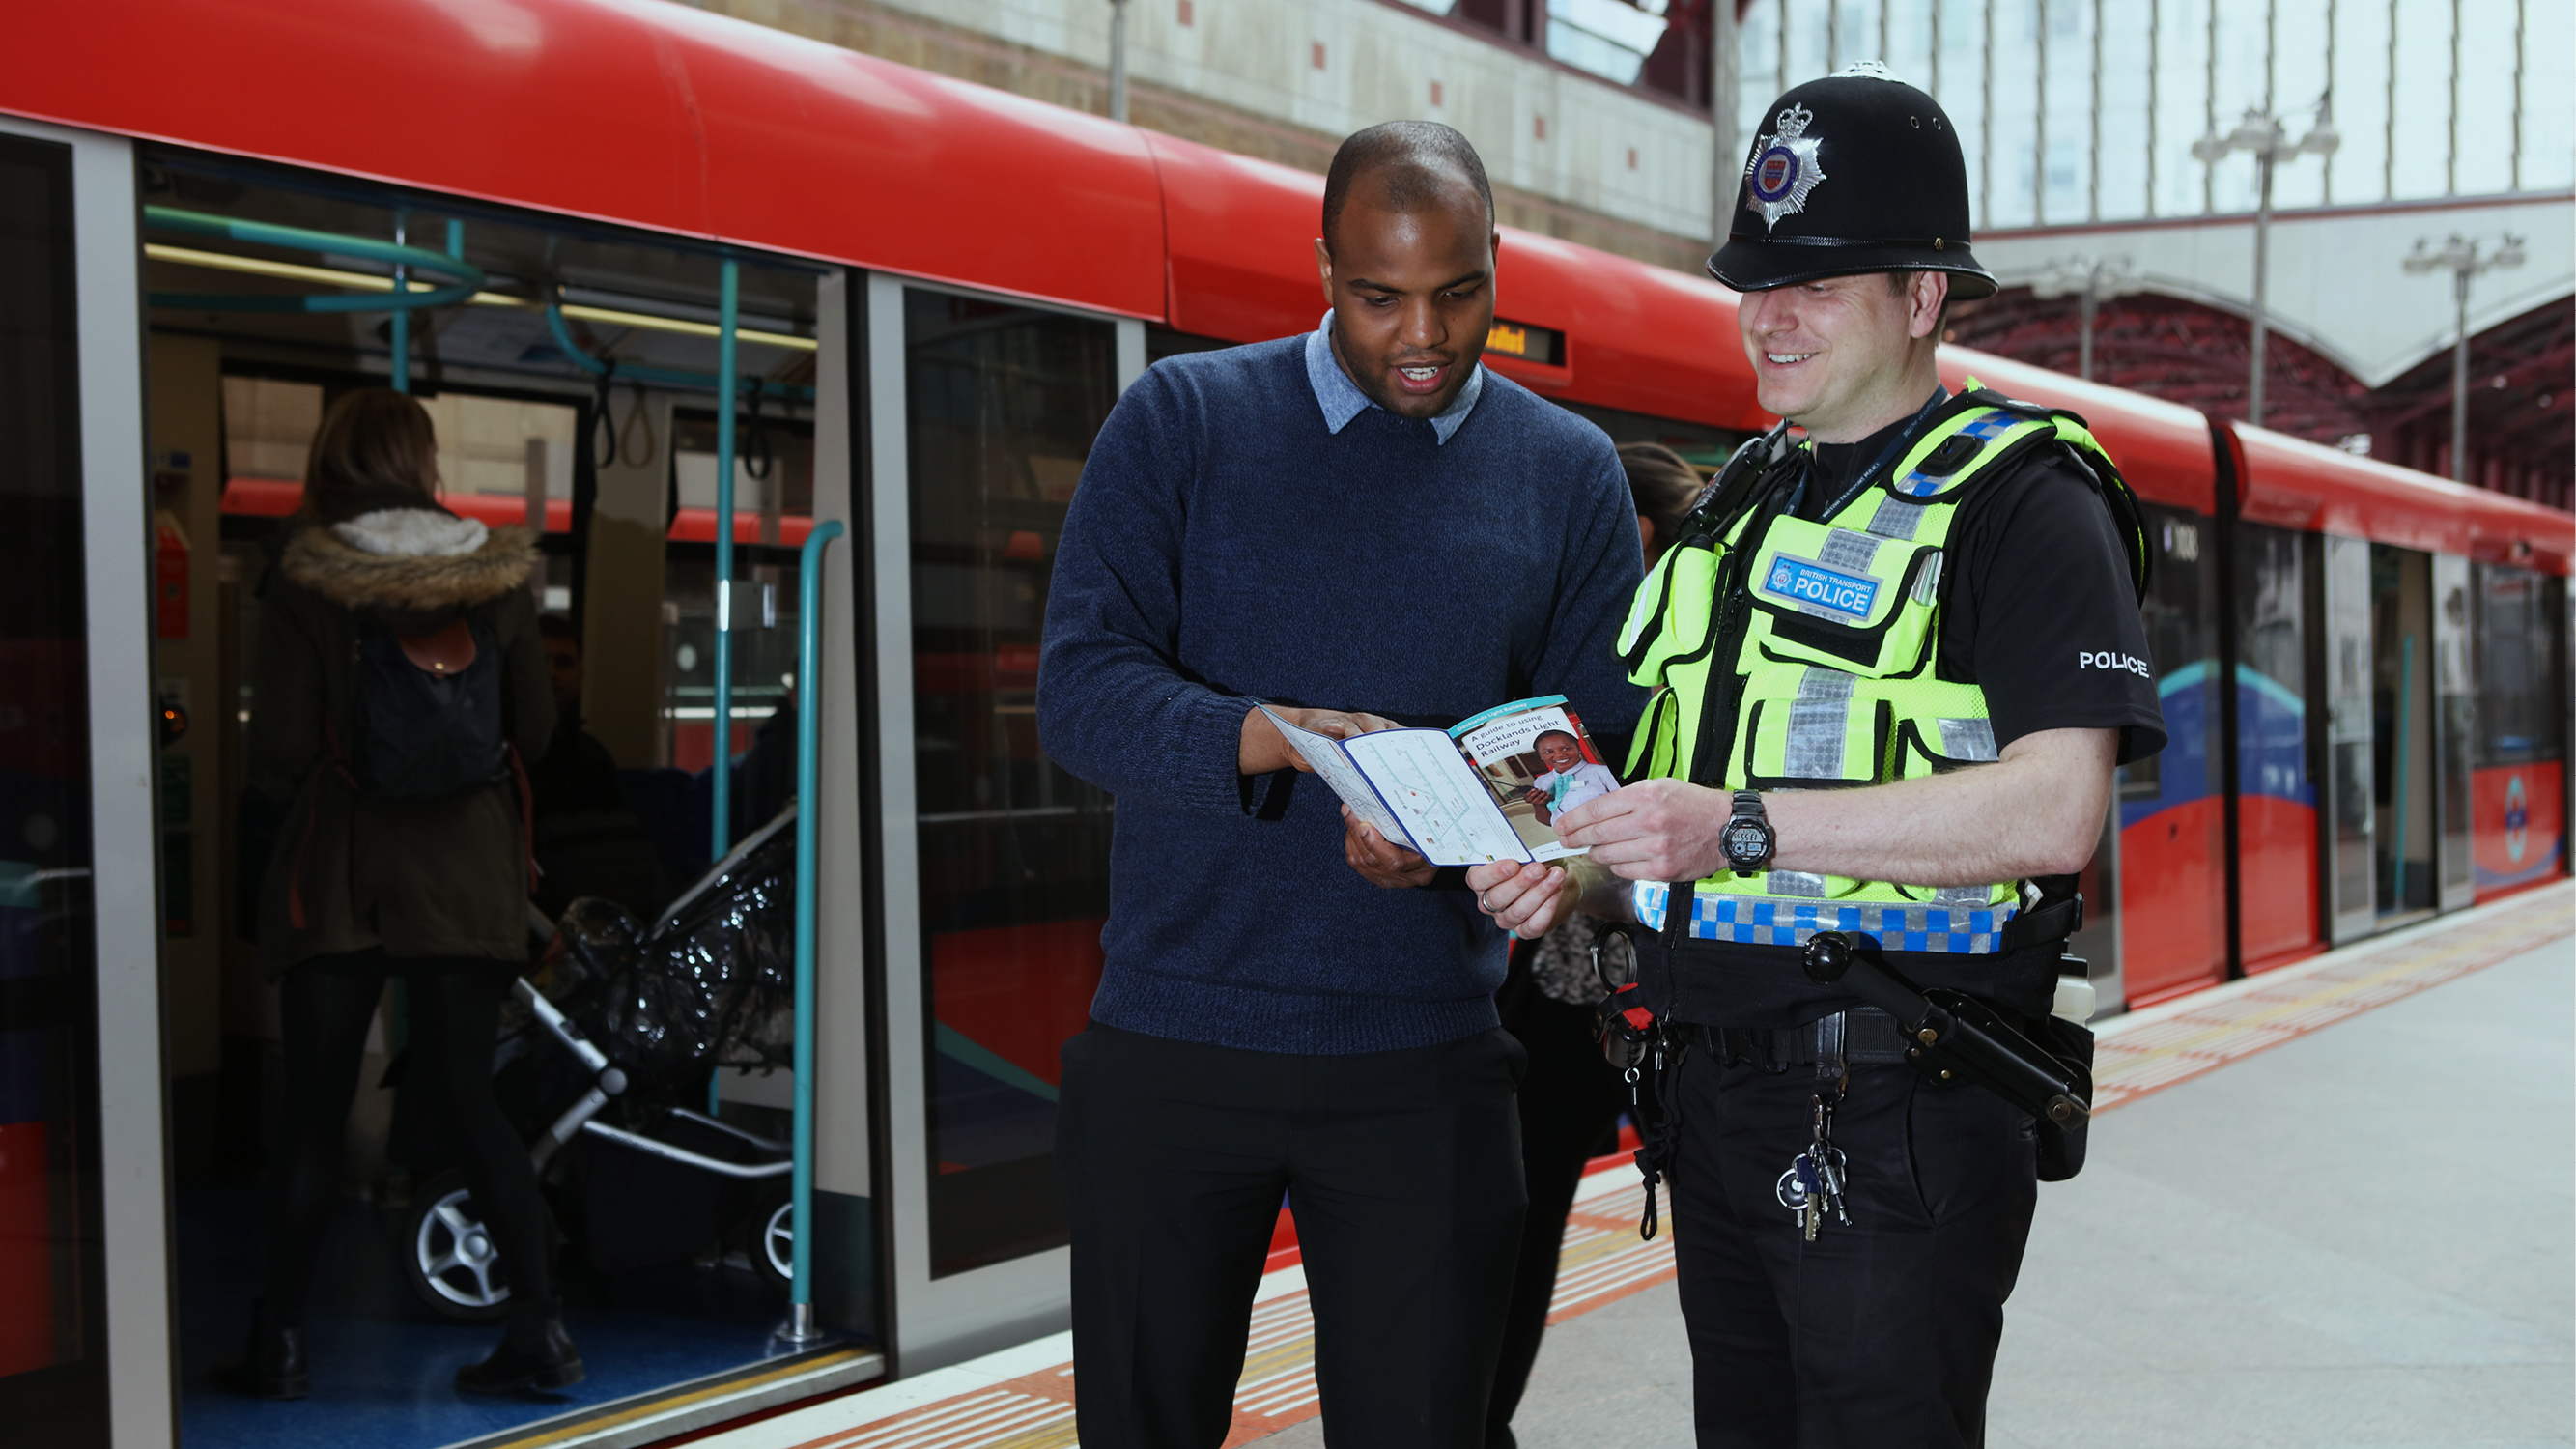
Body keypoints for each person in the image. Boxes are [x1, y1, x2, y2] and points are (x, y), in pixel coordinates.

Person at [1469, 67, 2165, 1447]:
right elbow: (1691, 805)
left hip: (1894, 1098)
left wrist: (1734, 828)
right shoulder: (1740, 503)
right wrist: (1588, 880)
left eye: (1817, 282)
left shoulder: (2022, 503)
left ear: (1921, 297)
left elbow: (2055, 807)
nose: (1766, 316)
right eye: (1753, 280)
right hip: (1715, 1091)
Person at [1036, 121, 1646, 1449]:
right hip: (1172, 1044)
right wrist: (1280, 739)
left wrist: (1469, 850)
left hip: (1427, 1065)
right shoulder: (1182, 421)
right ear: (1321, 268)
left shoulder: (1568, 474)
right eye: (1377, 296)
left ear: (1496, 266)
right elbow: (1078, 695)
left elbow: (1588, 759)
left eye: (1457, 293)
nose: (1417, 334)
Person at [230, 388, 581, 1400]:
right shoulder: (498, 572)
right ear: (423, 459)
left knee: (314, 1112)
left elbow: (283, 748)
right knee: (474, 1103)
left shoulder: (306, 575)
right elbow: (539, 731)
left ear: (334, 461)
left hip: (343, 869)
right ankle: (540, 1335)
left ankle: (281, 1344)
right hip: (466, 872)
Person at [1484, 440, 1706, 1448]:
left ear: (1637, 540)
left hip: (1609, 999)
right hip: (1614, 1000)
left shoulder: (1664, 649)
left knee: (1517, 1236)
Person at [1522, 728, 1619, 826]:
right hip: (1573, 839)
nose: (1559, 755)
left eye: (1566, 749)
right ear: (1540, 756)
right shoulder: (1541, 782)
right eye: (1548, 752)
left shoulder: (1603, 772)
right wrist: (1538, 804)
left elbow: (1627, 804)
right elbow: (1551, 822)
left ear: (1578, 748)